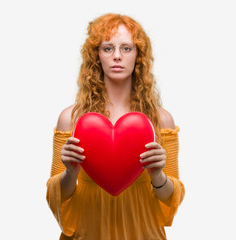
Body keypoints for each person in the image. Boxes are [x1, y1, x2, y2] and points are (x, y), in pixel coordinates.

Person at [46, 13, 185, 240]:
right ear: (97, 56)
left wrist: (157, 175)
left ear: (138, 56)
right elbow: (56, 198)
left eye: (127, 48)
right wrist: (70, 172)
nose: (117, 56)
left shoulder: (161, 120)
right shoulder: (71, 119)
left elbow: (171, 202)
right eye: (108, 48)